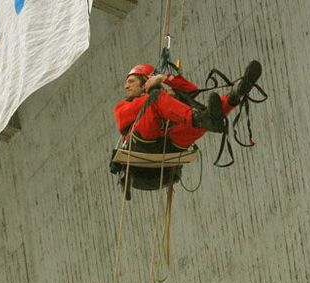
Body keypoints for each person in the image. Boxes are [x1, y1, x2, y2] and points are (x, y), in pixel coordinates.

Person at [112, 60, 261, 191]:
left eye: (131, 81)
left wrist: (164, 79)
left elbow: (191, 90)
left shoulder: (161, 96)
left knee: (198, 121)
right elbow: (151, 102)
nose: (126, 86)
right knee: (162, 101)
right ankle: (204, 118)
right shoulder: (122, 107)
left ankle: (233, 97)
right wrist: (160, 92)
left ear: (145, 81)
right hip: (141, 145)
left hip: (167, 146)